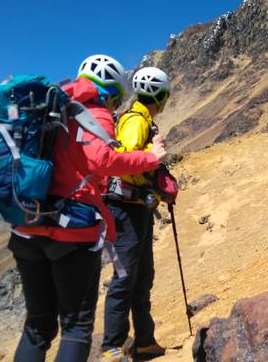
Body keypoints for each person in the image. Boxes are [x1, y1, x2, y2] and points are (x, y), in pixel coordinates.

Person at [8, 54, 167, 362]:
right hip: (71, 230)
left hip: (27, 224)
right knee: (76, 328)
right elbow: (105, 161)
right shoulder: (92, 111)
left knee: (38, 326)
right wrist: (153, 157)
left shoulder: (51, 105)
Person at [100, 67, 172, 361]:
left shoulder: (142, 119)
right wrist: (154, 154)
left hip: (136, 208)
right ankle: (111, 348)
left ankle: (144, 342)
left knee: (142, 277)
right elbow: (127, 158)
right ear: (161, 95)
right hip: (124, 209)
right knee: (125, 277)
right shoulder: (135, 120)